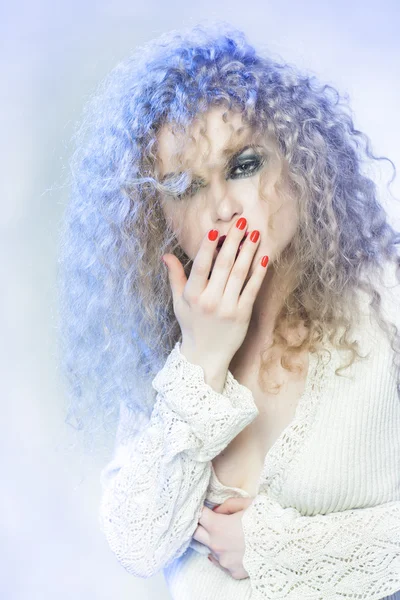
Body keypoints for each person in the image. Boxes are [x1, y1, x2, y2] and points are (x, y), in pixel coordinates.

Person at [56, 20, 400, 600]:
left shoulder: (385, 297)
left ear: (298, 164)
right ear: (157, 217)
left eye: (243, 165)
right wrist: (202, 361)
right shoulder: (171, 343)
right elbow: (139, 544)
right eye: (185, 187)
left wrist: (273, 552)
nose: (221, 207)